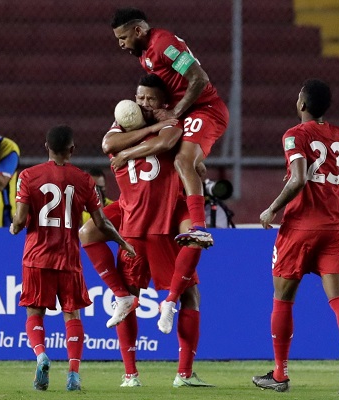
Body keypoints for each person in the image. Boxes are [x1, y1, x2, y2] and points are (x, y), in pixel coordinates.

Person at [80, 74, 212, 388]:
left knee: (192, 277)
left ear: (164, 102)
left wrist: (129, 151)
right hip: (136, 219)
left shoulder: (171, 124)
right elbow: (108, 144)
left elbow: (165, 142)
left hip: (157, 219)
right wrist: (148, 129)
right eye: (140, 97)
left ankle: (183, 372)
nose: (143, 103)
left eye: (150, 99)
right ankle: (131, 374)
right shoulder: (127, 123)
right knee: (89, 235)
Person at [252, 79, 339, 394]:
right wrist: (326, 178)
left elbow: (298, 178)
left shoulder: (294, 135)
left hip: (299, 226)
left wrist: (272, 209)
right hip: (333, 226)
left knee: (283, 299)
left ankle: (280, 374)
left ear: (302, 103)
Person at [10, 125, 135, 392]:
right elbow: (101, 223)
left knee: (35, 311)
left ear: (46, 147)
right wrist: (122, 242)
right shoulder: (84, 180)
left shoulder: (28, 176)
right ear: (72, 149)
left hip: (36, 257)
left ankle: (41, 355)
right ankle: (73, 374)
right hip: (68, 258)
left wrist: (14, 226)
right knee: (72, 314)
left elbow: (19, 221)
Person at [111, 7, 230, 248]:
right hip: (186, 112)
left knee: (182, 161)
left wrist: (174, 113)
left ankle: (199, 227)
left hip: (205, 109)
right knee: (181, 160)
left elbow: (200, 78)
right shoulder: (145, 55)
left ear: (138, 30)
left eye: (123, 38)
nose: (121, 44)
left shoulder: (164, 44)